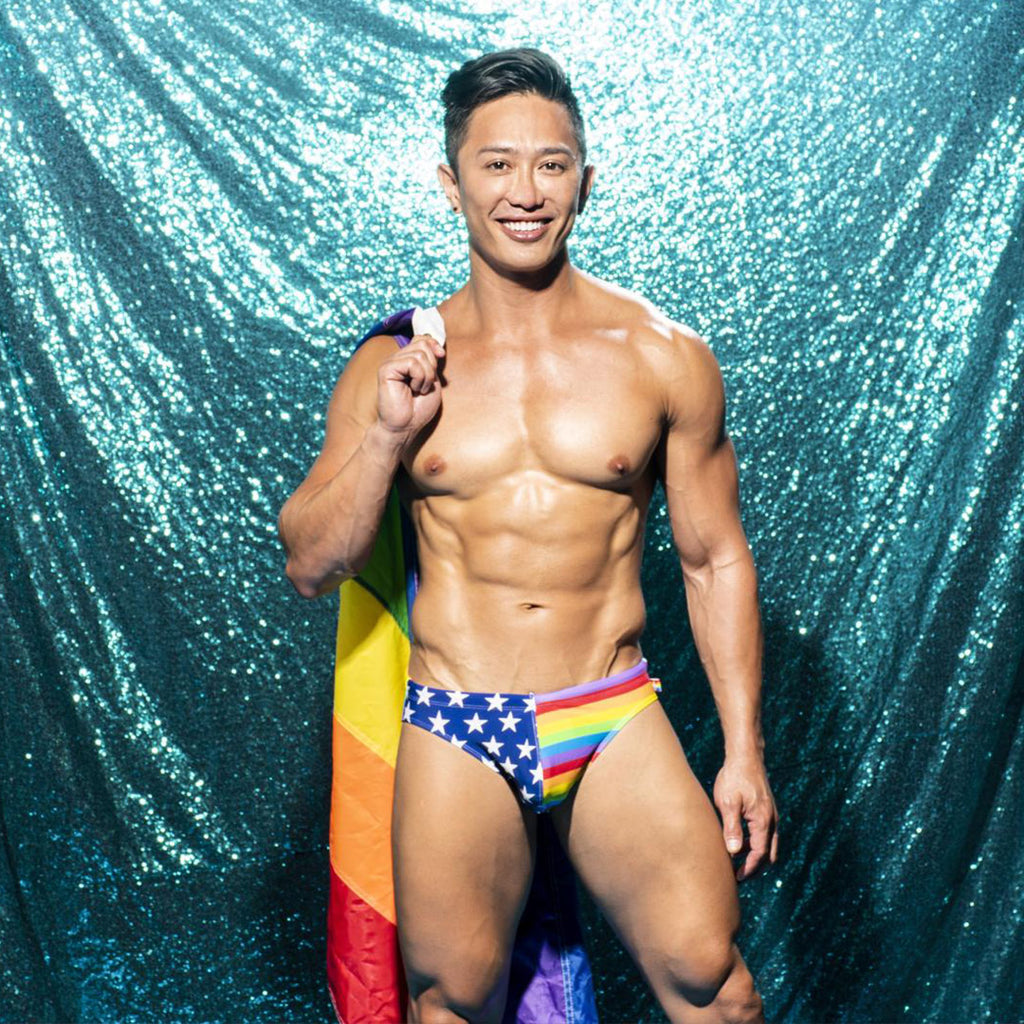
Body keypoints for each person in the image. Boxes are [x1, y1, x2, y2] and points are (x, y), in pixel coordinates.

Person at [278, 46, 778, 1024]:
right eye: (496, 164)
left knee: (712, 985)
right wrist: (386, 439)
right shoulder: (393, 363)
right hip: (459, 722)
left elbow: (714, 559)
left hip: (608, 707)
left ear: (585, 182)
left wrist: (743, 750)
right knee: (453, 1002)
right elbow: (311, 563)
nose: (525, 191)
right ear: (450, 183)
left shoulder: (663, 356)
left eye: (551, 164)